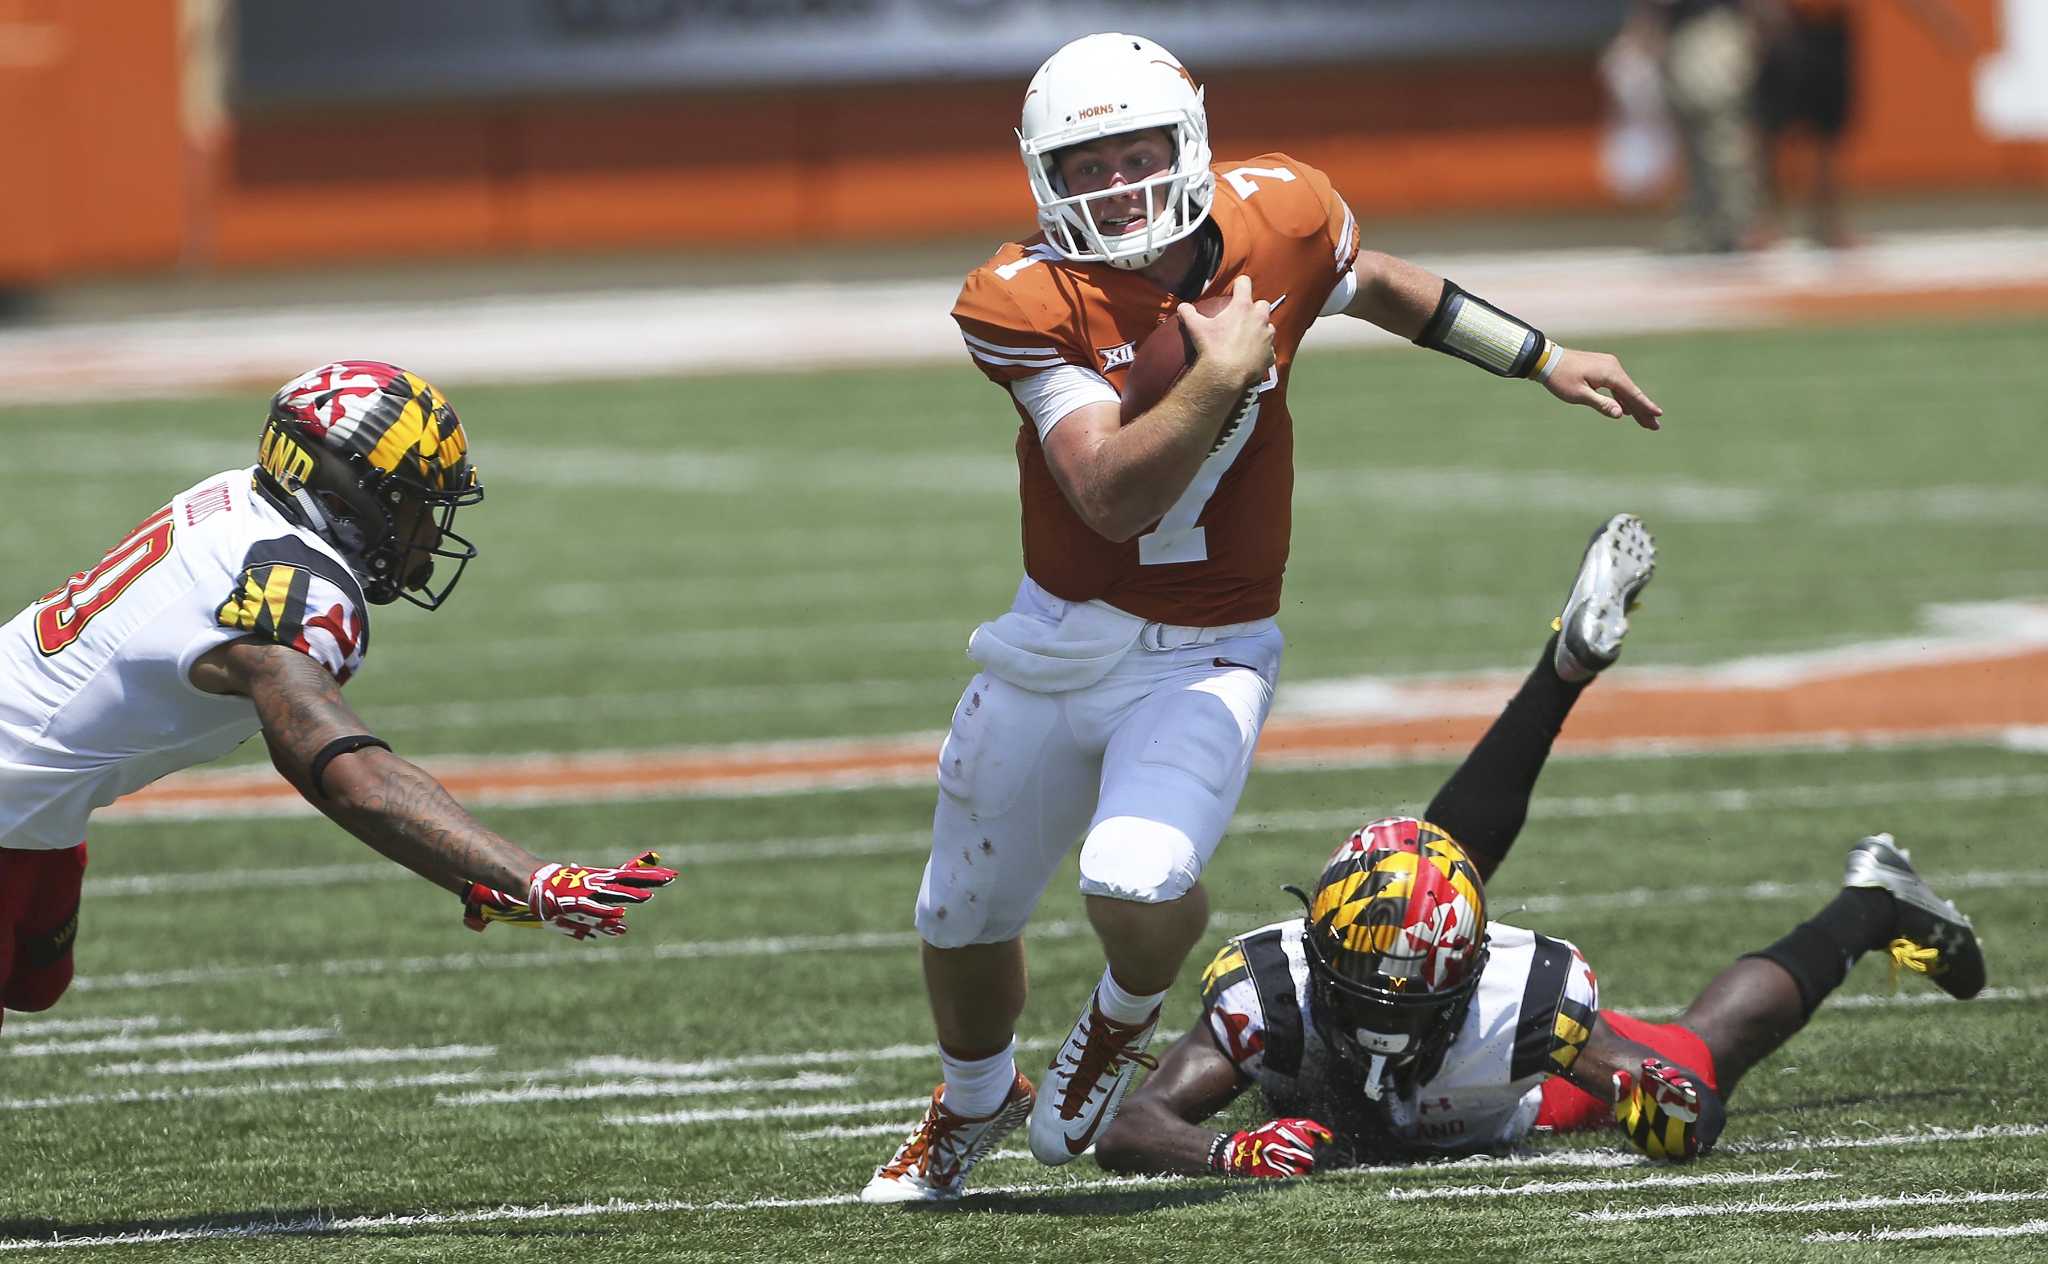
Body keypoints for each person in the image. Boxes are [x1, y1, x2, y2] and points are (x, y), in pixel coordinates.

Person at [860, 29, 1665, 1205]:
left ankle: (1112, 1022)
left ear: (1188, 143)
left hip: (1209, 645)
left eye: (1136, 152)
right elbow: (1105, 489)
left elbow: (1376, 281)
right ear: (1042, 180)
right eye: (1083, 166)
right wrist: (1218, 375)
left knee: (1136, 879)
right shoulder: (1024, 294)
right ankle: (973, 1100)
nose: (1116, 184)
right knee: (959, 908)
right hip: (1056, 635)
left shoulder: (1282, 211)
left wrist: (1534, 353)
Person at [1092, 519, 1986, 1176]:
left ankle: (1874, 901)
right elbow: (1132, 1127)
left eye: (1410, 1005)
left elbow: (1687, 1100)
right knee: (1421, 879)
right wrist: (1227, 1151)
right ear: (1315, 949)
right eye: (1371, 995)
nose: (1383, 1025)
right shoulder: (1273, 994)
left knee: (1706, 1046)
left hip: (1500, 1100)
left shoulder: (1526, 1007)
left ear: (1474, 973)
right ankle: (1562, 671)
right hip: (1433, 1026)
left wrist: (1667, 1109)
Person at [0, 360, 679, 1028]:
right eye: (415, 503)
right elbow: (347, 774)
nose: (431, 532)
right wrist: (530, 875)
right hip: (12, 793)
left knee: (36, 984)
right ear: (346, 492)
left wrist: (468, 875)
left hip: (36, 806)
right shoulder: (297, 587)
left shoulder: (240, 500)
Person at [1752, 0, 1973, 249]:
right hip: (1789, 24)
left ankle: (1827, 223)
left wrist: (1940, 19)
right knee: (1772, 132)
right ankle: (1769, 221)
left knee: (1830, 131)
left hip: (1833, 24)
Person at [1614, 0, 1767, 253]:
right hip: (1680, 30)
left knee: (1720, 133)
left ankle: (1738, 225)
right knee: (1692, 137)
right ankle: (1703, 226)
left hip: (1712, 27)